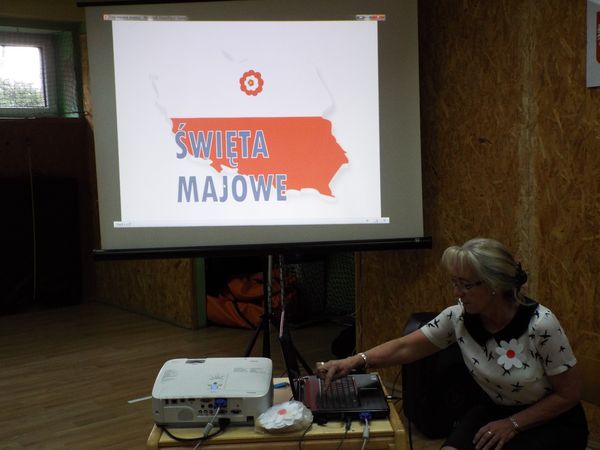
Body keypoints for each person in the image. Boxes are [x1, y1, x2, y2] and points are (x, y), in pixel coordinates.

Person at [317, 238, 588, 450]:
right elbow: (405, 347)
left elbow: (569, 395)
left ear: (494, 285)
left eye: (466, 285)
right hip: (493, 410)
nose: (458, 293)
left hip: (551, 420)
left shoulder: (540, 324)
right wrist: (354, 361)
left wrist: (513, 424)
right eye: (455, 283)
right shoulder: (458, 317)